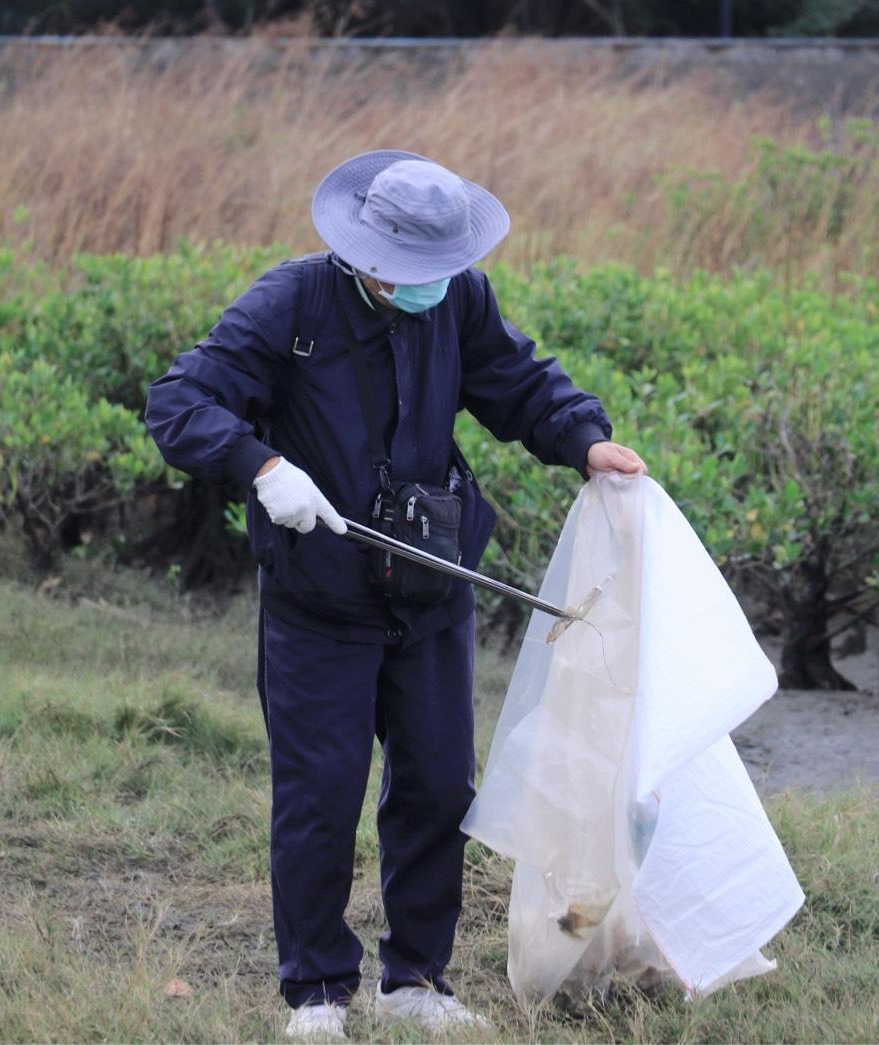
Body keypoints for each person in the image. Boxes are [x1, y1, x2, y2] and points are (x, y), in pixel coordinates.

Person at [144, 149, 645, 1041]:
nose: (427, 286)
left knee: (437, 785)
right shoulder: (288, 305)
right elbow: (179, 401)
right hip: (319, 602)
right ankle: (316, 992)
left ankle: (415, 977)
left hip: (428, 591)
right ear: (365, 256)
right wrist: (261, 466)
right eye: (410, 273)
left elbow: (519, 383)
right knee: (320, 795)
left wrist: (585, 439)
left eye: (440, 270)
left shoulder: (458, 296)